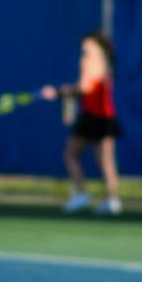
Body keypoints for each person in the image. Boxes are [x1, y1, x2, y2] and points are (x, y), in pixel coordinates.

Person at [40, 30, 122, 215]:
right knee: (105, 160)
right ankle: (112, 200)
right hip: (105, 116)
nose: (85, 48)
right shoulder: (106, 64)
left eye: (89, 44)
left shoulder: (88, 62)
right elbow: (88, 88)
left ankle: (81, 195)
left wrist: (59, 92)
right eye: (84, 45)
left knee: (71, 154)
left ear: (97, 45)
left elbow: (84, 88)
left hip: (94, 117)